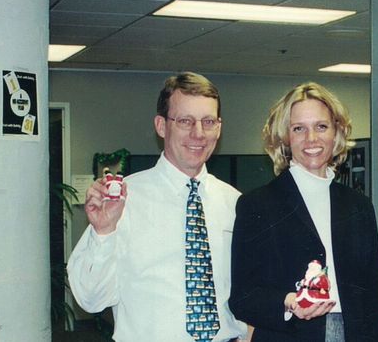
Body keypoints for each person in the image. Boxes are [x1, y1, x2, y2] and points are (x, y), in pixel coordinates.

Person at [67, 72, 249, 341]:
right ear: (161, 126)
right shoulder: (123, 201)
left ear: (218, 128)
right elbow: (91, 300)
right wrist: (103, 232)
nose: (198, 133)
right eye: (185, 121)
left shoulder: (235, 203)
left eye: (208, 121)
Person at [230, 82, 378, 341]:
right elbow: (243, 298)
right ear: (285, 138)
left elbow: (373, 298)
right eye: (299, 129)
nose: (311, 139)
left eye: (321, 127)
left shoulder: (359, 206)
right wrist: (289, 302)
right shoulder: (257, 204)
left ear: (336, 133)